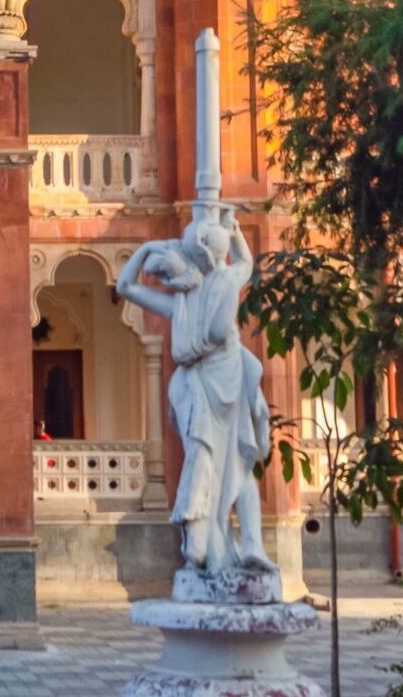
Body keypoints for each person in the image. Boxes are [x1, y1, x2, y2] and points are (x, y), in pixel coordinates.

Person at [116, 206, 272, 581]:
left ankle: (249, 547)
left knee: (237, 464)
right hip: (204, 385)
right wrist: (152, 245)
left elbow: (221, 324)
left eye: (173, 270)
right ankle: (211, 546)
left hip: (223, 382)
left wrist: (230, 233)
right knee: (214, 465)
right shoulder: (189, 299)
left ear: (195, 263)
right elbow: (124, 288)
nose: (168, 279)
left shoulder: (212, 288)